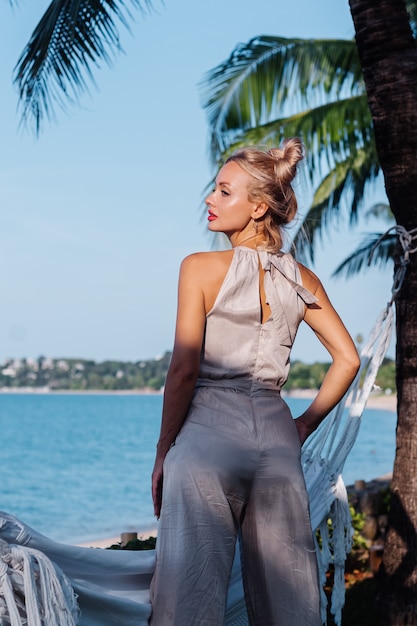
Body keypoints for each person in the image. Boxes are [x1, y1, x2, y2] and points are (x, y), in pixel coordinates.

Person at [150, 138, 360, 626]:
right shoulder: (302, 279)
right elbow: (347, 359)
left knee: (191, 599)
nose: (209, 199)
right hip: (276, 442)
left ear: (258, 206)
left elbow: (183, 369)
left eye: (224, 192)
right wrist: (303, 425)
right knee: (290, 607)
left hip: (206, 437)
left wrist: (163, 451)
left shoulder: (198, 269)